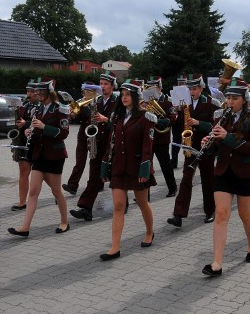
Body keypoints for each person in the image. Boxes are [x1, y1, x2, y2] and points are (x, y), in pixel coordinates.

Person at [201, 78, 250, 276]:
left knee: (245, 214)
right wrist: (209, 143)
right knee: (221, 214)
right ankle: (217, 263)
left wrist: (226, 137)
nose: (230, 101)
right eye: (228, 97)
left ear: (244, 100)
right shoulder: (221, 116)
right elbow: (218, 146)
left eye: (234, 98)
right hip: (223, 171)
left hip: (246, 171)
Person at [99, 82, 157, 260]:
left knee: (142, 203)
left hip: (137, 167)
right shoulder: (117, 116)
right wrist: (105, 165)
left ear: (135, 97)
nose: (124, 97)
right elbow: (112, 142)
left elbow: (148, 146)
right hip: (119, 166)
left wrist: (145, 169)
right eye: (122, 94)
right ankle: (115, 247)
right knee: (118, 206)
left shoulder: (146, 118)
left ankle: (149, 232)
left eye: (128, 94)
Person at [8, 79, 71, 237]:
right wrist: (29, 132)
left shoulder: (61, 109)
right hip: (39, 155)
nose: (39, 95)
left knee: (56, 191)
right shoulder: (37, 109)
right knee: (34, 191)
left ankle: (64, 221)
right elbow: (34, 128)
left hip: (55, 155)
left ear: (49, 93)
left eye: (42, 93)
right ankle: (25, 227)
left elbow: (63, 133)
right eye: (38, 93)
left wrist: (44, 127)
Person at [167, 74, 219, 227]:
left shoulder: (210, 103)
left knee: (208, 179)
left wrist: (198, 123)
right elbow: (178, 124)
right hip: (190, 145)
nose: (191, 92)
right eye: (189, 89)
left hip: (206, 146)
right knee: (185, 179)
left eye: (195, 89)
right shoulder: (185, 104)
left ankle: (210, 211)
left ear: (201, 88)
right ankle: (178, 214)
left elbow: (214, 125)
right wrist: (175, 114)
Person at [70, 71, 118, 221]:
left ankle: (123, 204)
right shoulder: (95, 101)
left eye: (105, 84)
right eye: (101, 84)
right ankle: (86, 208)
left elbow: (121, 123)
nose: (102, 87)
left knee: (116, 177)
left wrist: (106, 120)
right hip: (96, 142)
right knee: (94, 177)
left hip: (112, 144)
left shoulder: (118, 101)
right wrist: (74, 112)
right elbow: (84, 116)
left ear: (112, 86)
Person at [62, 82, 99, 196]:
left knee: (95, 162)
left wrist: (82, 107)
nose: (83, 93)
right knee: (80, 161)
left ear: (92, 92)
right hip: (83, 133)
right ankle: (73, 185)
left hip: (95, 134)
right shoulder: (80, 102)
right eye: (83, 91)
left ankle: (98, 183)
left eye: (85, 91)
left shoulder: (98, 101)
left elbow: (91, 114)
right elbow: (74, 116)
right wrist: (72, 109)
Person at [144, 76, 178, 197]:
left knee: (165, 165)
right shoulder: (146, 101)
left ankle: (172, 188)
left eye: (152, 88)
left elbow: (172, 119)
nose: (150, 91)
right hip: (148, 137)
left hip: (161, 138)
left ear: (159, 88)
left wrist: (158, 122)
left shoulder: (168, 101)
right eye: (148, 88)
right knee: (146, 165)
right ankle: (144, 193)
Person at [11, 80, 39, 210]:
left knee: (45, 174)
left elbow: (41, 123)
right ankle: (22, 202)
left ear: (37, 93)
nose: (28, 94)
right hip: (23, 141)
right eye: (27, 91)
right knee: (23, 171)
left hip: (36, 142)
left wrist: (26, 124)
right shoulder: (25, 105)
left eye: (31, 92)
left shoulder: (42, 106)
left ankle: (57, 194)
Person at [169, 76, 187, 169]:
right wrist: (175, 108)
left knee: (187, 142)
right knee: (176, 142)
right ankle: (174, 161)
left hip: (186, 121)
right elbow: (172, 108)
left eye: (183, 83)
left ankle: (187, 161)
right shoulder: (174, 93)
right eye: (180, 83)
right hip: (177, 121)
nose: (181, 85)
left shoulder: (189, 93)